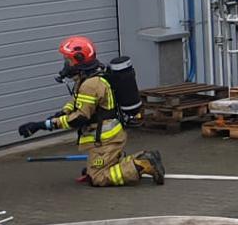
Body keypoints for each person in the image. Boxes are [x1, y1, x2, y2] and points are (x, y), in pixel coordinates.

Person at [18, 36, 165, 186]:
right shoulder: (90, 76)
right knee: (93, 170)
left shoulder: (90, 84)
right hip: (109, 137)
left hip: (107, 140)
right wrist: (60, 114)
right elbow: (76, 102)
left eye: (68, 60)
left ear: (79, 59)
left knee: (98, 177)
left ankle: (144, 164)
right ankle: (142, 157)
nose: (66, 64)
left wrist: (43, 125)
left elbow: (80, 118)